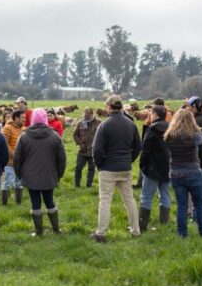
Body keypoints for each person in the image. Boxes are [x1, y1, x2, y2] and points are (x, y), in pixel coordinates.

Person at [90, 95, 142, 243]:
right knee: (129, 200)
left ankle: (101, 233)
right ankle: (136, 231)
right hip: (125, 168)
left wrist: (100, 165)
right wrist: (129, 160)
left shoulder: (104, 125)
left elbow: (97, 149)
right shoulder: (131, 124)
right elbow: (138, 146)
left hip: (108, 168)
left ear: (108, 106)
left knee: (105, 200)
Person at [14, 108, 66, 236]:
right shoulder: (55, 136)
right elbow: (62, 159)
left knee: (35, 203)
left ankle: (39, 232)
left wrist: (19, 174)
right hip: (49, 176)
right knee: (50, 201)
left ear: (32, 119)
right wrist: (58, 175)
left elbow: (17, 158)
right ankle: (56, 230)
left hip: (30, 177)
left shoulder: (24, 137)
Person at [164, 109, 202, 237]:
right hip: (193, 171)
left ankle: (182, 233)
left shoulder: (169, 135)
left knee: (181, 206)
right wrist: (195, 127)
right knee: (200, 205)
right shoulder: (194, 135)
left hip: (176, 172)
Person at [138, 105, 171, 231]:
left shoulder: (152, 129)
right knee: (165, 195)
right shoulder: (171, 127)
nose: (150, 116)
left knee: (146, 196)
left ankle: (142, 225)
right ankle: (164, 223)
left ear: (156, 115)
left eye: (151, 113)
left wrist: (142, 165)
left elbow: (145, 149)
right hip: (168, 166)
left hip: (153, 167)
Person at [0, 110, 25, 204]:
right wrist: (14, 155)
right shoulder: (7, 128)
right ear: (16, 118)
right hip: (9, 161)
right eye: (23, 117)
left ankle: (18, 203)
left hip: (20, 162)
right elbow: (4, 144)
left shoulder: (22, 128)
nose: (24, 119)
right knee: (8, 181)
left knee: (19, 182)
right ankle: (4, 203)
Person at [72, 107, 100, 188]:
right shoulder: (80, 123)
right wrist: (80, 144)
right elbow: (75, 135)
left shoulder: (99, 123)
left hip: (93, 151)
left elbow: (102, 135)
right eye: (84, 114)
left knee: (91, 169)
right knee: (78, 167)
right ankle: (77, 185)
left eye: (87, 115)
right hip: (82, 151)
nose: (86, 116)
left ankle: (89, 185)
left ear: (92, 114)